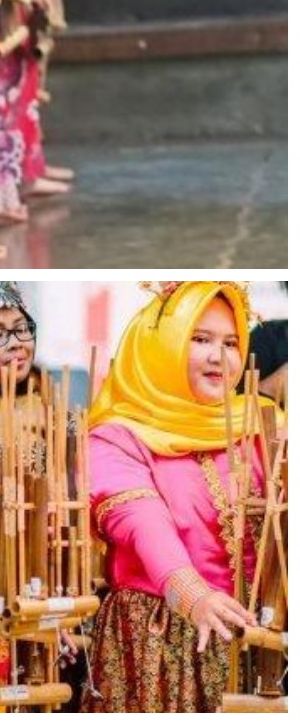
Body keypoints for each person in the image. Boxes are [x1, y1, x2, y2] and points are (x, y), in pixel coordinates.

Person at [86, 281, 270, 712]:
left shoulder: (264, 424)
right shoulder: (118, 437)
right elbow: (141, 520)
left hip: (261, 638)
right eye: (199, 339)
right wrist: (191, 593)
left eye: (230, 343)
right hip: (164, 638)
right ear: (160, 346)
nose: (217, 356)